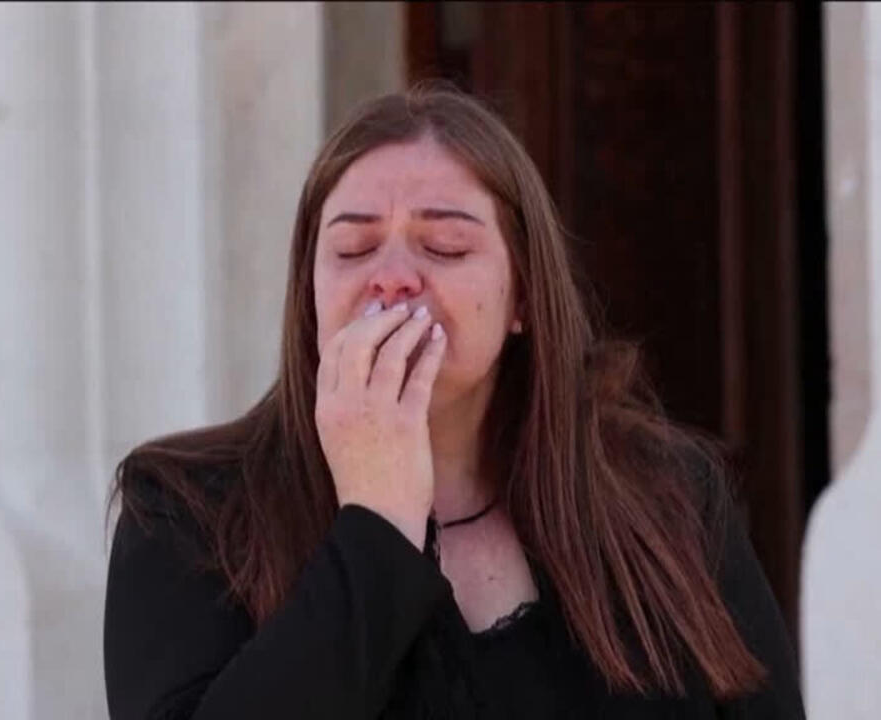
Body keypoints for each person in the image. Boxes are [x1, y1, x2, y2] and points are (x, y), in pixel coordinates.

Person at [103, 84, 806, 719]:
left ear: (522, 295)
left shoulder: (666, 496)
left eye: (444, 247)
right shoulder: (185, 508)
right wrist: (376, 523)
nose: (392, 280)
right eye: (353, 249)